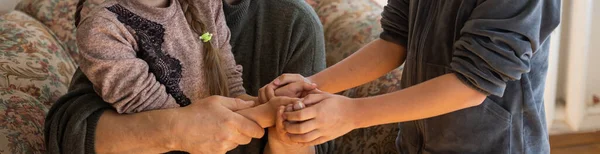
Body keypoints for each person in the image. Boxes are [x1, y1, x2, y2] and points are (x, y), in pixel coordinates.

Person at [264, 0, 561, 153]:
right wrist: (312, 85)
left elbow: (472, 84)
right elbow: (394, 41)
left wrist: (351, 114)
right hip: (416, 144)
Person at [45, 0, 330, 153]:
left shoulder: (293, 22)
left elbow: (232, 84)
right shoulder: (106, 25)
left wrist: (277, 120)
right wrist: (176, 129)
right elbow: (71, 130)